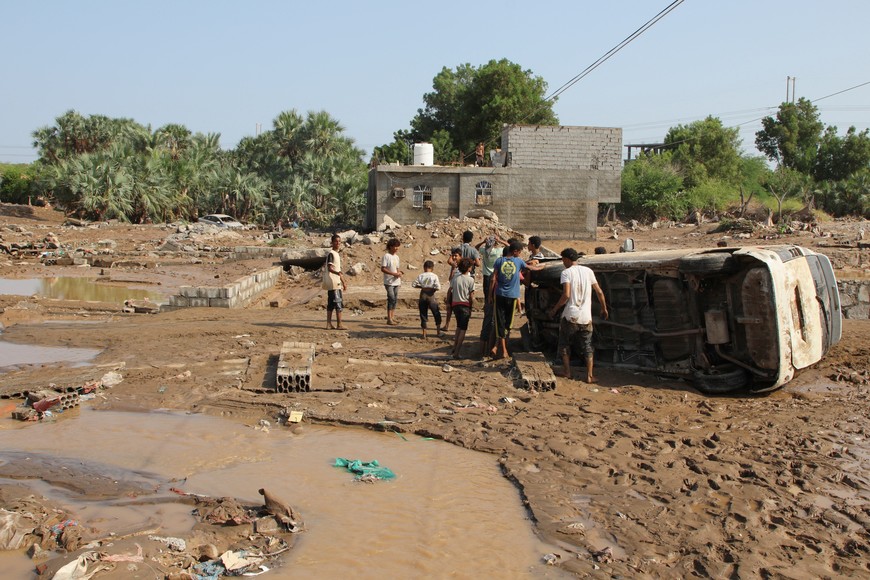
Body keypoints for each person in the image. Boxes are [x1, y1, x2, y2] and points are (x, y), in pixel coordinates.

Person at [548, 247, 608, 382]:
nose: (563, 262)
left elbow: (566, 295)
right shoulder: (588, 271)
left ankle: (567, 372)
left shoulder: (566, 273)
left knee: (564, 344)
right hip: (586, 317)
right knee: (587, 346)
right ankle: (590, 375)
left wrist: (555, 309)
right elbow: (599, 292)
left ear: (567, 259)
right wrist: (604, 308)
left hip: (570, 315)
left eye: (563, 260)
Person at [489, 241, 543, 359]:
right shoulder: (518, 261)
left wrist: (489, 295)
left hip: (499, 295)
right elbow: (530, 268)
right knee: (508, 323)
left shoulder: (499, 261)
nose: (520, 254)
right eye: (519, 252)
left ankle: (497, 347)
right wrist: (541, 268)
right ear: (515, 251)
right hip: (512, 296)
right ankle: (503, 350)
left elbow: (493, 279)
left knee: (500, 322)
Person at [449, 258, 475, 359]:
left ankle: (454, 347)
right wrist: (472, 306)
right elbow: (471, 296)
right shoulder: (470, 280)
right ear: (468, 268)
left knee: (458, 326)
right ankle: (457, 352)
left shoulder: (455, 278)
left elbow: (450, 291)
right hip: (465, 305)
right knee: (463, 329)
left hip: (455, 304)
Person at [412, 260, 442, 339]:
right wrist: (431, 288)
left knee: (423, 314)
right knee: (436, 313)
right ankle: (438, 332)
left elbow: (414, 284)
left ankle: (424, 334)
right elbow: (438, 287)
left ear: (424, 267)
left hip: (423, 295)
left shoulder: (421, 275)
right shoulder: (434, 276)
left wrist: (422, 287)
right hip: (431, 295)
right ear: (432, 268)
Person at [323, 233, 346, 330]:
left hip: (335, 282)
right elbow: (331, 268)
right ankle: (339, 324)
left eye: (339, 241)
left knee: (331, 304)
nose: (338, 243)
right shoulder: (332, 254)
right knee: (338, 303)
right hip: (334, 282)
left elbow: (337, 270)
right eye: (336, 241)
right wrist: (338, 274)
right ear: (332, 243)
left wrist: (344, 282)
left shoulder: (335, 254)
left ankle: (329, 324)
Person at [380, 238, 403, 325]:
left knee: (395, 300)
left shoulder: (397, 257)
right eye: (395, 246)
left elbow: (397, 268)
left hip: (396, 281)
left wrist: (399, 273)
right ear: (390, 247)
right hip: (389, 282)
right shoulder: (386, 256)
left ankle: (392, 317)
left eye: (398, 246)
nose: (397, 248)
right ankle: (389, 318)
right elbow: (383, 268)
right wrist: (393, 274)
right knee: (391, 299)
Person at [440, 247, 463, 332]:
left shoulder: (463, 266)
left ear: (460, 256)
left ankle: (459, 328)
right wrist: (453, 269)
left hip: (459, 291)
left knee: (459, 311)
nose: (453, 257)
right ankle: (447, 325)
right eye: (453, 256)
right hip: (452, 289)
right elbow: (450, 279)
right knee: (449, 308)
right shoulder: (454, 265)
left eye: (455, 256)